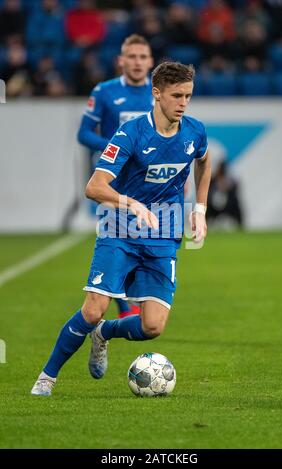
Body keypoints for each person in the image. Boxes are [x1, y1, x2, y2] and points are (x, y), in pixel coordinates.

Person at [31, 61, 211, 397]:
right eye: (176, 95)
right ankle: (47, 376)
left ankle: (104, 334)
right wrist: (132, 204)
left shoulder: (195, 130)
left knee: (153, 326)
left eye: (188, 95)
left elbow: (203, 160)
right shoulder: (131, 134)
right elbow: (94, 186)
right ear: (156, 94)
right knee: (93, 307)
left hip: (162, 235)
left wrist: (199, 209)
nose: (183, 103)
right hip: (120, 230)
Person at [77, 34, 154, 318]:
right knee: (115, 240)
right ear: (121, 60)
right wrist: (113, 146)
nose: (137, 62)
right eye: (131, 56)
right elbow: (84, 133)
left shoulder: (158, 93)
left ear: (151, 62)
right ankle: (123, 309)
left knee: (144, 241)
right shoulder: (104, 92)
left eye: (142, 57)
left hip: (147, 184)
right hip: (113, 181)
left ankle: (127, 303)